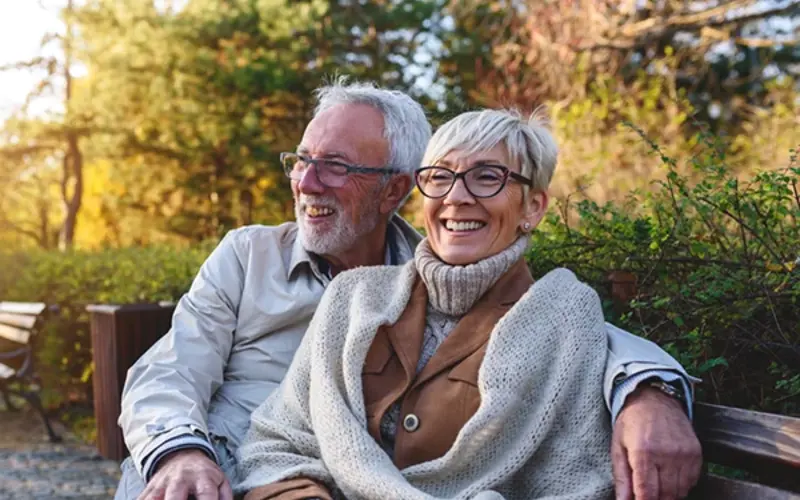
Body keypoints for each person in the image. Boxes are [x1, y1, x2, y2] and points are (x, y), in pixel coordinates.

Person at [118, 80, 701, 500]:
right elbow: (170, 372)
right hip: (213, 462)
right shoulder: (252, 256)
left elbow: (570, 332)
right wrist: (180, 452)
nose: (305, 181)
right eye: (301, 160)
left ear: (396, 189)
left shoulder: (421, 275)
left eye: (334, 166)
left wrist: (651, 390)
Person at [235, 108, 617, 499]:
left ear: (533, 207)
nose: (456, 196)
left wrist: (656, 389)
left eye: (487, 177)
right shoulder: (352, 298)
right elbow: (275, 445)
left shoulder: (564, 317)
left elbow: (576, 482)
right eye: (440, 177)